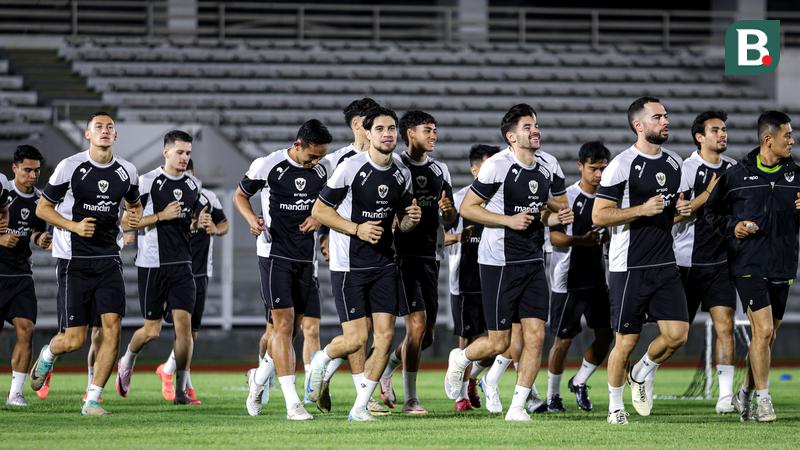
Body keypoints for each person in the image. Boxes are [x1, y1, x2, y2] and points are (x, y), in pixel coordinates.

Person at [443, 103, 573, 422]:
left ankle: (517, 406)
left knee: (536, 336)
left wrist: (556, 216)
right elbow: (469, 208)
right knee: (499, 342)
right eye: (527, 127)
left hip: (533, 259)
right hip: (498, 262)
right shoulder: (497, 166)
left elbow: (546, 212)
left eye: (536, 125)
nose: (535, 130)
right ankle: (461, 358)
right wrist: (507, 220)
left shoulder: (548, 165)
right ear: (511, 136)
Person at [306, 106, 422, 421]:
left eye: (391, 128)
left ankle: (360, 407)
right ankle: (322, 359)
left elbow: (401, 223)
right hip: (349, 265)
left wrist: (411, 220)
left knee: (385, 337)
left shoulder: (401, 172)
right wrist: (357, 229)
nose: (387, 134)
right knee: (357, 339)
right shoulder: (350, 167)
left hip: (384, 263)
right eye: (380, 129)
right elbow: (319, 211)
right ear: (367, 134)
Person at [30, 111, 142, 416]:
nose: (105, 130)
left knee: (112, 328)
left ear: (115, 135)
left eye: (110, 127)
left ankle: (92, 399)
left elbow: (134, 205)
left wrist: (131, 219)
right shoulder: (70, 167)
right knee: (74, 340)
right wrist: (74, 226)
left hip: (109, 258)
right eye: (98, 127)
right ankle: (48, 354)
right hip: (73, 259)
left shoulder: (127, 171)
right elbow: (43, 208)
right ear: (88, 134)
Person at [592, 97, 692, 425]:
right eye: (658, 117)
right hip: (628, 266)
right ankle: (615, 407)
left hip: (664, 263)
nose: (666, 121)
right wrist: (642, 210)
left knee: (678, 334)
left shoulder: (674, 162)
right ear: (639, 125)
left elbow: (668, 212)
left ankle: (641, 371)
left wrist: (680, 211)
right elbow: (599, 216)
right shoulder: (621, 165)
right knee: (626, 341)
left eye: (666, 116)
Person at [705, 111, 798, 423]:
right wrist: (733, 227)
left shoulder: (796, 175)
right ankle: (763, 400)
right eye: (787, 135)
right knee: (764, 330)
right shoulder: (736, 175)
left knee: (766, 338)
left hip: (783, 264)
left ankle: (744, 393)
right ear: (768, 140)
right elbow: (711, 214)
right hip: (748, 264)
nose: (792, 141)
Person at [236, 119, 332, 420]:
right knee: (284, 324)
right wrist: (252, 220)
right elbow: (240, 195)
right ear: (297, 144)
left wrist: (319, 220)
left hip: (305, 258)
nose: (315, 162)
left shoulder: (323, 169)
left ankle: (258, 380)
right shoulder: (267, 165)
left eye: (320, 157)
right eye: (312, 156)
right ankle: (293, 404)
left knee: (290, 332)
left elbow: (329, 205)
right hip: (273, 255)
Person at [115, 130, 203, 405]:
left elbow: (188, 221)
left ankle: (181, 390)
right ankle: (127, 361)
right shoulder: (147, 181)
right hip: (153, 264)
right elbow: (127, 222)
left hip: (183, 265)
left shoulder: (193, 185)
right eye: (180, 152)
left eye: (188, 153)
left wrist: (197, 223)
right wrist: (161, 216)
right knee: (151, 330)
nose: (184, 157)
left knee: (184, 328)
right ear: (165, 152)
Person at [378, 110, 455, 414]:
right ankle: (411, 399)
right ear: (410, 133)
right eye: (427, 130)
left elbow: (450, 219)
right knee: (417, 325)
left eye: (435, 130)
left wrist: (448, 211)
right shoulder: (396, 166)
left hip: (430, 256)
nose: (433, 135)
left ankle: (387, 367)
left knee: (426, 336)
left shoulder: (440, 170)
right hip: (402, 256)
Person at [312, 97, 385, 415]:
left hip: (380, 258)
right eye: (373, 123)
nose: (381, 130)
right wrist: (324, 237)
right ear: (358, 125)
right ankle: (361, 395)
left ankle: (327, 375)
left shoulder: (389, 161)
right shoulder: (337, 161)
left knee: (373, 331)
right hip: (347, 257)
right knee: (359, 333)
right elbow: (320, 205)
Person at [673, 110, 738, 414]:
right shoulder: (685, 170)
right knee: (675, 336)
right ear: (699, 137)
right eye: (715, 130)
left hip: (721, 262)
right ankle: (644, 373)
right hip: (686, 263)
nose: (722, 134)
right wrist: (708, 194)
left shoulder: (734, 169)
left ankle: (725, 397)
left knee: (725, 325)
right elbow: (674, 216)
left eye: (724, 129)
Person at [545, 142, 613, 413]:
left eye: (603, 169)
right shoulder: (568, 198)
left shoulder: (608, 198)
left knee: (606, 336)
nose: (599, 174)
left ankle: (580, 380)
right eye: (593, 168)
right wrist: (582, 241)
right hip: (568, 280)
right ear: (580, 166)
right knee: (563, 340)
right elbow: (555, 237)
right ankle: (552, 396)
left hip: (597, 278)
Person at [155, 159, 229, 401]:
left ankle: (171, 373)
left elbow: (224, 224)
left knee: (191, 332)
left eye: (186, 172)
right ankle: (178, 381)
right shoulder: (164, 198)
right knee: (174, 329)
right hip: (173, 269)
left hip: (200, 272)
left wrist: (214, 229)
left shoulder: (208, 197)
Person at [444, 144, 500, 412]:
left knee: (497, 342)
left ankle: (473, 378)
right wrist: (454, 231)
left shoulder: (502, 198)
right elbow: (440, 235)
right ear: (475, 170)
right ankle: (460, 395)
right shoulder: (458, 200)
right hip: (466, 280)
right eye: (489, 166)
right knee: (467, 339)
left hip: (496, 276)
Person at [2, 145, 50, 406]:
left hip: (20, 274)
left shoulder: (40, 200)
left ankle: (15, 394)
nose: (33, 175)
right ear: (15, 168)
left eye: (37, 171)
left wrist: (41, 239)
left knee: (26, 329)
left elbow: (35, 232)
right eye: (27, 170)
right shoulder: (3, 192)